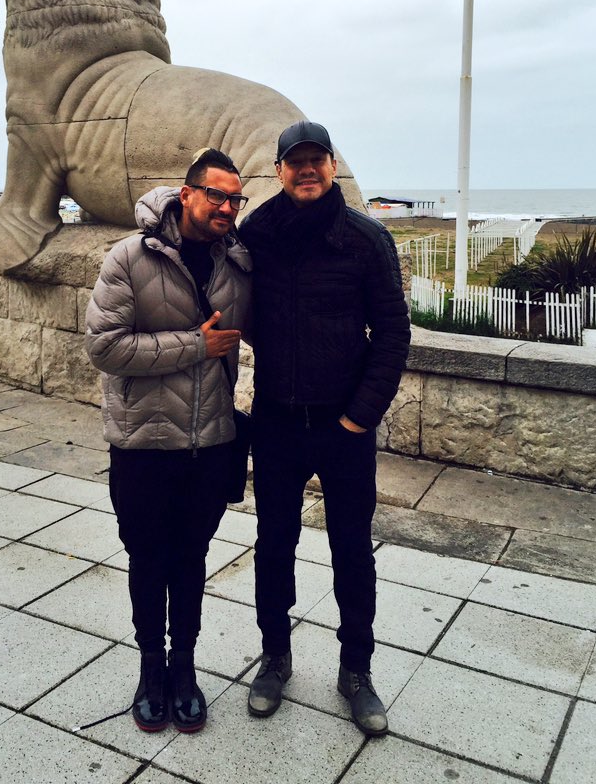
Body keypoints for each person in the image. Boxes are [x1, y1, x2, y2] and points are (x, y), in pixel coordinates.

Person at [238, 121, 410, 735]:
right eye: (296, 161)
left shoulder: (366, 238)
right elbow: (235, 306)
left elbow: (393, 334)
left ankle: (356, 670)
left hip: (344, 426)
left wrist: (358, 416)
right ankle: (274, 658)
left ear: (333, 166)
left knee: (352, 552)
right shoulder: (256, 232)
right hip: (278, 422)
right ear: (279, 171)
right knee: (273, 547)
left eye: (317, 159)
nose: (307, 170)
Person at [85, 148, 251, 733]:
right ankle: (150, 668)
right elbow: (104, 347)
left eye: (236, 199)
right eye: (217, 195)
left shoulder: (238, 264)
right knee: (148, 558)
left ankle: (184, 669)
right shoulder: (130, 257)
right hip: (143, 445)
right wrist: (195, 346)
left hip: (210, 442)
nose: (227, 207)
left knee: (191, 559)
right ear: (187, 194)